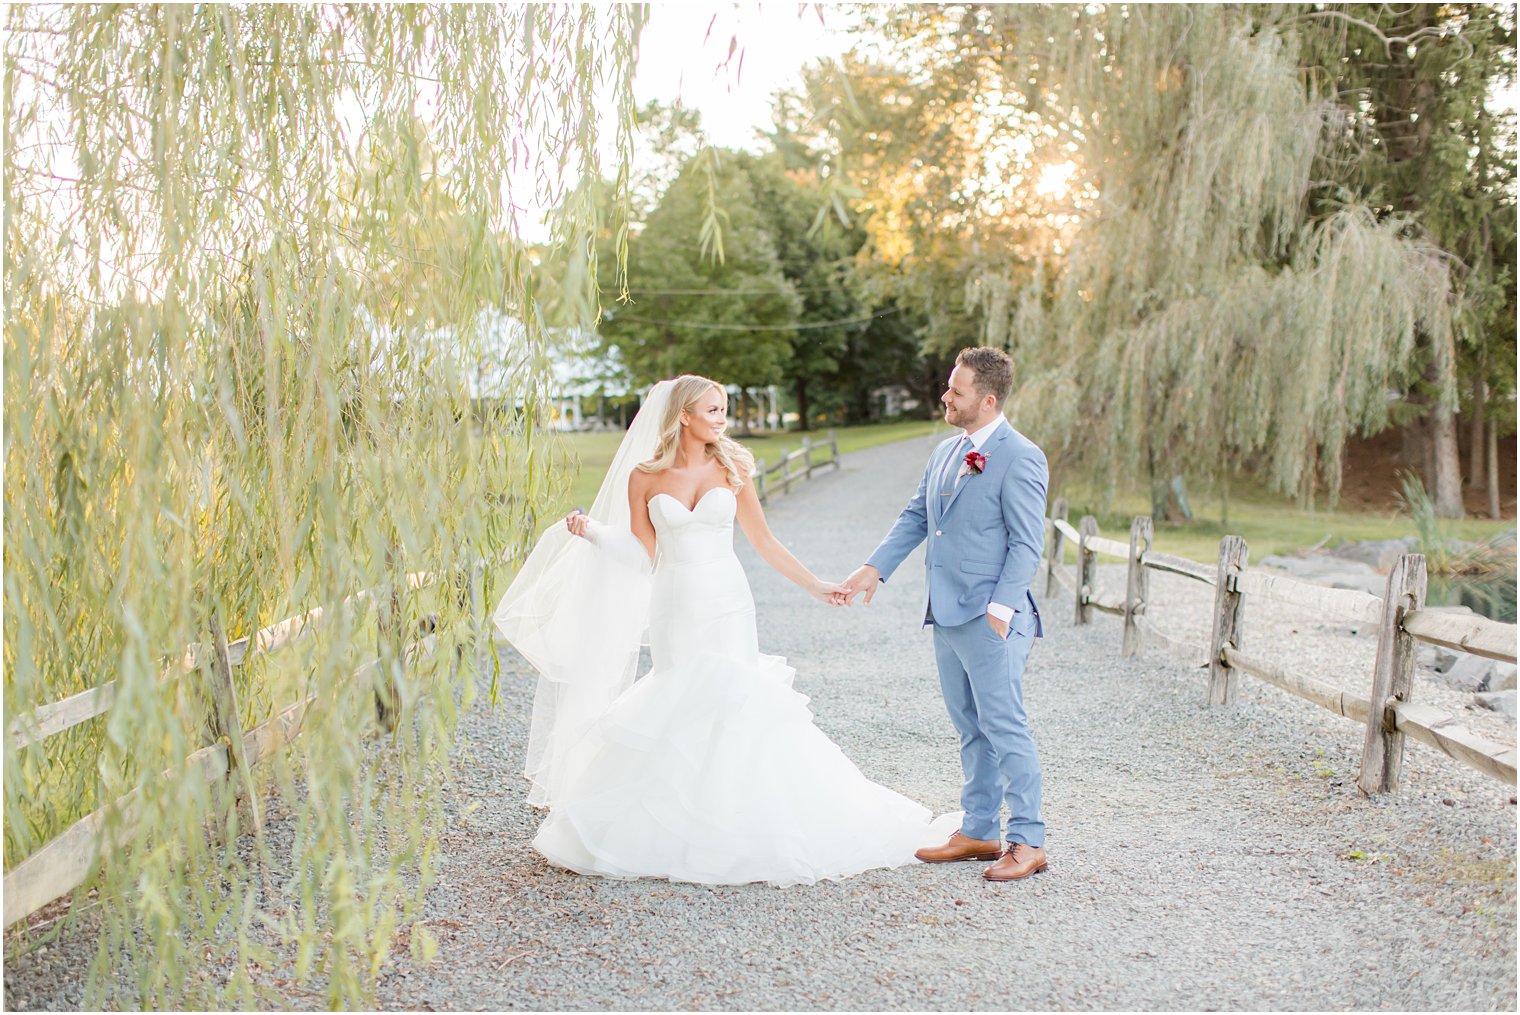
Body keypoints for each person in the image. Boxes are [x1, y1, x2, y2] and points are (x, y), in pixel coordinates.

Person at [494, 375, 954, 886]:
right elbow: (643, 554)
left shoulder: (732, 468)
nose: (722, 417)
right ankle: (673, 828)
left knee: (736, 700)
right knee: (681, 700)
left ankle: (743, 820)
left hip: (728, 603)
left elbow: (764, 540)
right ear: (683, 415)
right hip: (675, 605)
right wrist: (595, 534)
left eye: (724, 408)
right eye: (712, 409)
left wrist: (815, 585)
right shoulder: (644, 477)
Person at [839, 347, 1050, 882]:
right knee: (969, 727)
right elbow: (917, 515)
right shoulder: (945, 452)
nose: (945, 397)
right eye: (948, 388)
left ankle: (1029, 839)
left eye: (955, 391)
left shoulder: (1021, 456)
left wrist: (1001, 611)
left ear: (988, 398)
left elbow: (1027, 544)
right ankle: (980, 830)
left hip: (992, 618)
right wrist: (874, 568)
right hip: (946, 613)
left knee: (1005, 726)